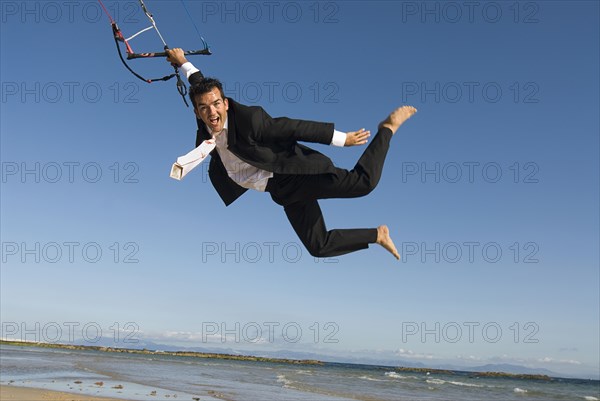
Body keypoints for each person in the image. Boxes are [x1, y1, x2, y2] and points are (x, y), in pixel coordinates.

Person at [166, 49, 417, 260]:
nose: (212, 112)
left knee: (364, 183)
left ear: (226, 103)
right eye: (204, 108)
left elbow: (291, 126)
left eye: (216, 104)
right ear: (197, 112)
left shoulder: (251, 121)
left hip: (292, 173)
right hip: (280, 190)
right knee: (318, 246)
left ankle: (388, 128)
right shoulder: (205, 125)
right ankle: (377, 235)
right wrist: (183, 62)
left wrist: (341, 139)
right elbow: (199, 84)